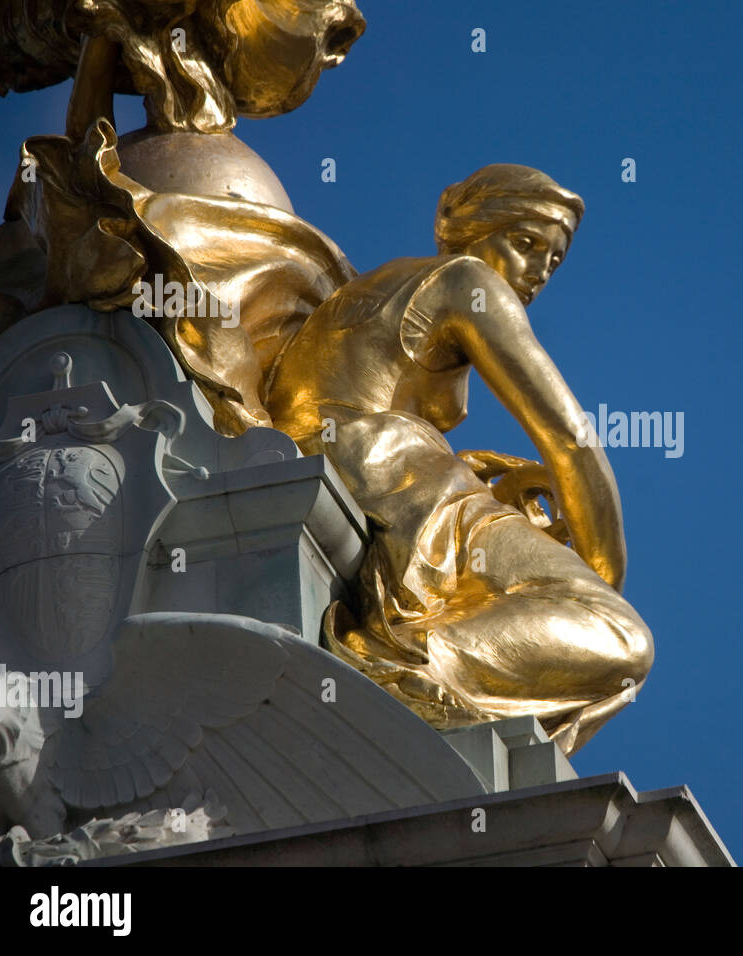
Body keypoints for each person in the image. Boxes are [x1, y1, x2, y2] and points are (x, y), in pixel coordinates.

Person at [265, 165, 653, 754]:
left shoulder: (380, 286)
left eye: (552, 261)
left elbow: (350, 398)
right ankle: (405, 666)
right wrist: (603, 581)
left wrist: (475, 471)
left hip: (364, 461)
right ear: (472, 229)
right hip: (389, 467)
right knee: (622, 639)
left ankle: (416, 665)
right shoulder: (468, 279)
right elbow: (571, 438)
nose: (536, 273)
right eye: (524, 244)